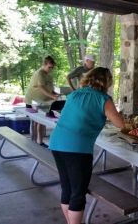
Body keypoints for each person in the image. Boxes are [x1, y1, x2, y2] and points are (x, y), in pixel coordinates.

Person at [49, 67, 124, 224]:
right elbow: (120, 124)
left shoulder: (74, 94)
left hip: (57, 143)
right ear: (107, 82)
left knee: (67, 188)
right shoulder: (104, 99)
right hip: (77, 148)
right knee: (78, 192)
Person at [25, 55, 59, 147]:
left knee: (41, 121)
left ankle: (39, 141)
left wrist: (55, 94)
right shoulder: (39, 73)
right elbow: (41, 87)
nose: (50, 69)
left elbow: (50, 89)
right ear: (44, 64)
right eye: (49, 67)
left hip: (43, 101)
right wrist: (52, 96)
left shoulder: (49, 76)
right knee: (38, 120)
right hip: (33, 101)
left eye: (52, 67)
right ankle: (36, 142)